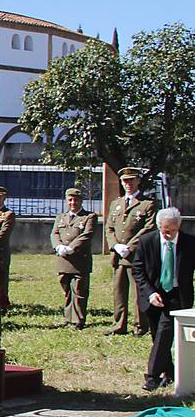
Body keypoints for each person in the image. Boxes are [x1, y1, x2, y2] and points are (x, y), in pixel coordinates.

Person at [132, 207, 195, 391]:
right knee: (158, 337)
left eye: (172, 231)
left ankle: (152, 377)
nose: (168, 235)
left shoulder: (189, 243)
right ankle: (170, 373)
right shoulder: (147, 241)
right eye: (164, 231)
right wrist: (150, 293)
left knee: (164, 332)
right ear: (159, 226)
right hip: (153, 294)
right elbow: (138, 269)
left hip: (177, 295)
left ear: (179, 226)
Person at [105, 166, 158, 336]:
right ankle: (118, 324)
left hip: (136, 255)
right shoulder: (116, 203)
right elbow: (109, 228)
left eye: (131, 180)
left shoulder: (147, 204)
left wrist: (130, 247)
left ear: (138, 181)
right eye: (124, 181)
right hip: (119, 255)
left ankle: (140, 326)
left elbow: (149, 228)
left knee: (138, 292)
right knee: (118, 292)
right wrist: (115, 246)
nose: (127, 184)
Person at [52, 187, 97, 329]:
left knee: (79, 290)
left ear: (81, 201)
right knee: (66, 289)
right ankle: (67, 317)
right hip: (63, 259)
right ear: (66, 201)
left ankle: (78, 319)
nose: (73, 202)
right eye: (70, 200)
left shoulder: (89, 217)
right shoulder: (61, 217)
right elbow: (54, 233)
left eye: (76, 200)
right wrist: (58, 246)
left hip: (79, 260)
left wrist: (71, 248)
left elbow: (87, 234)